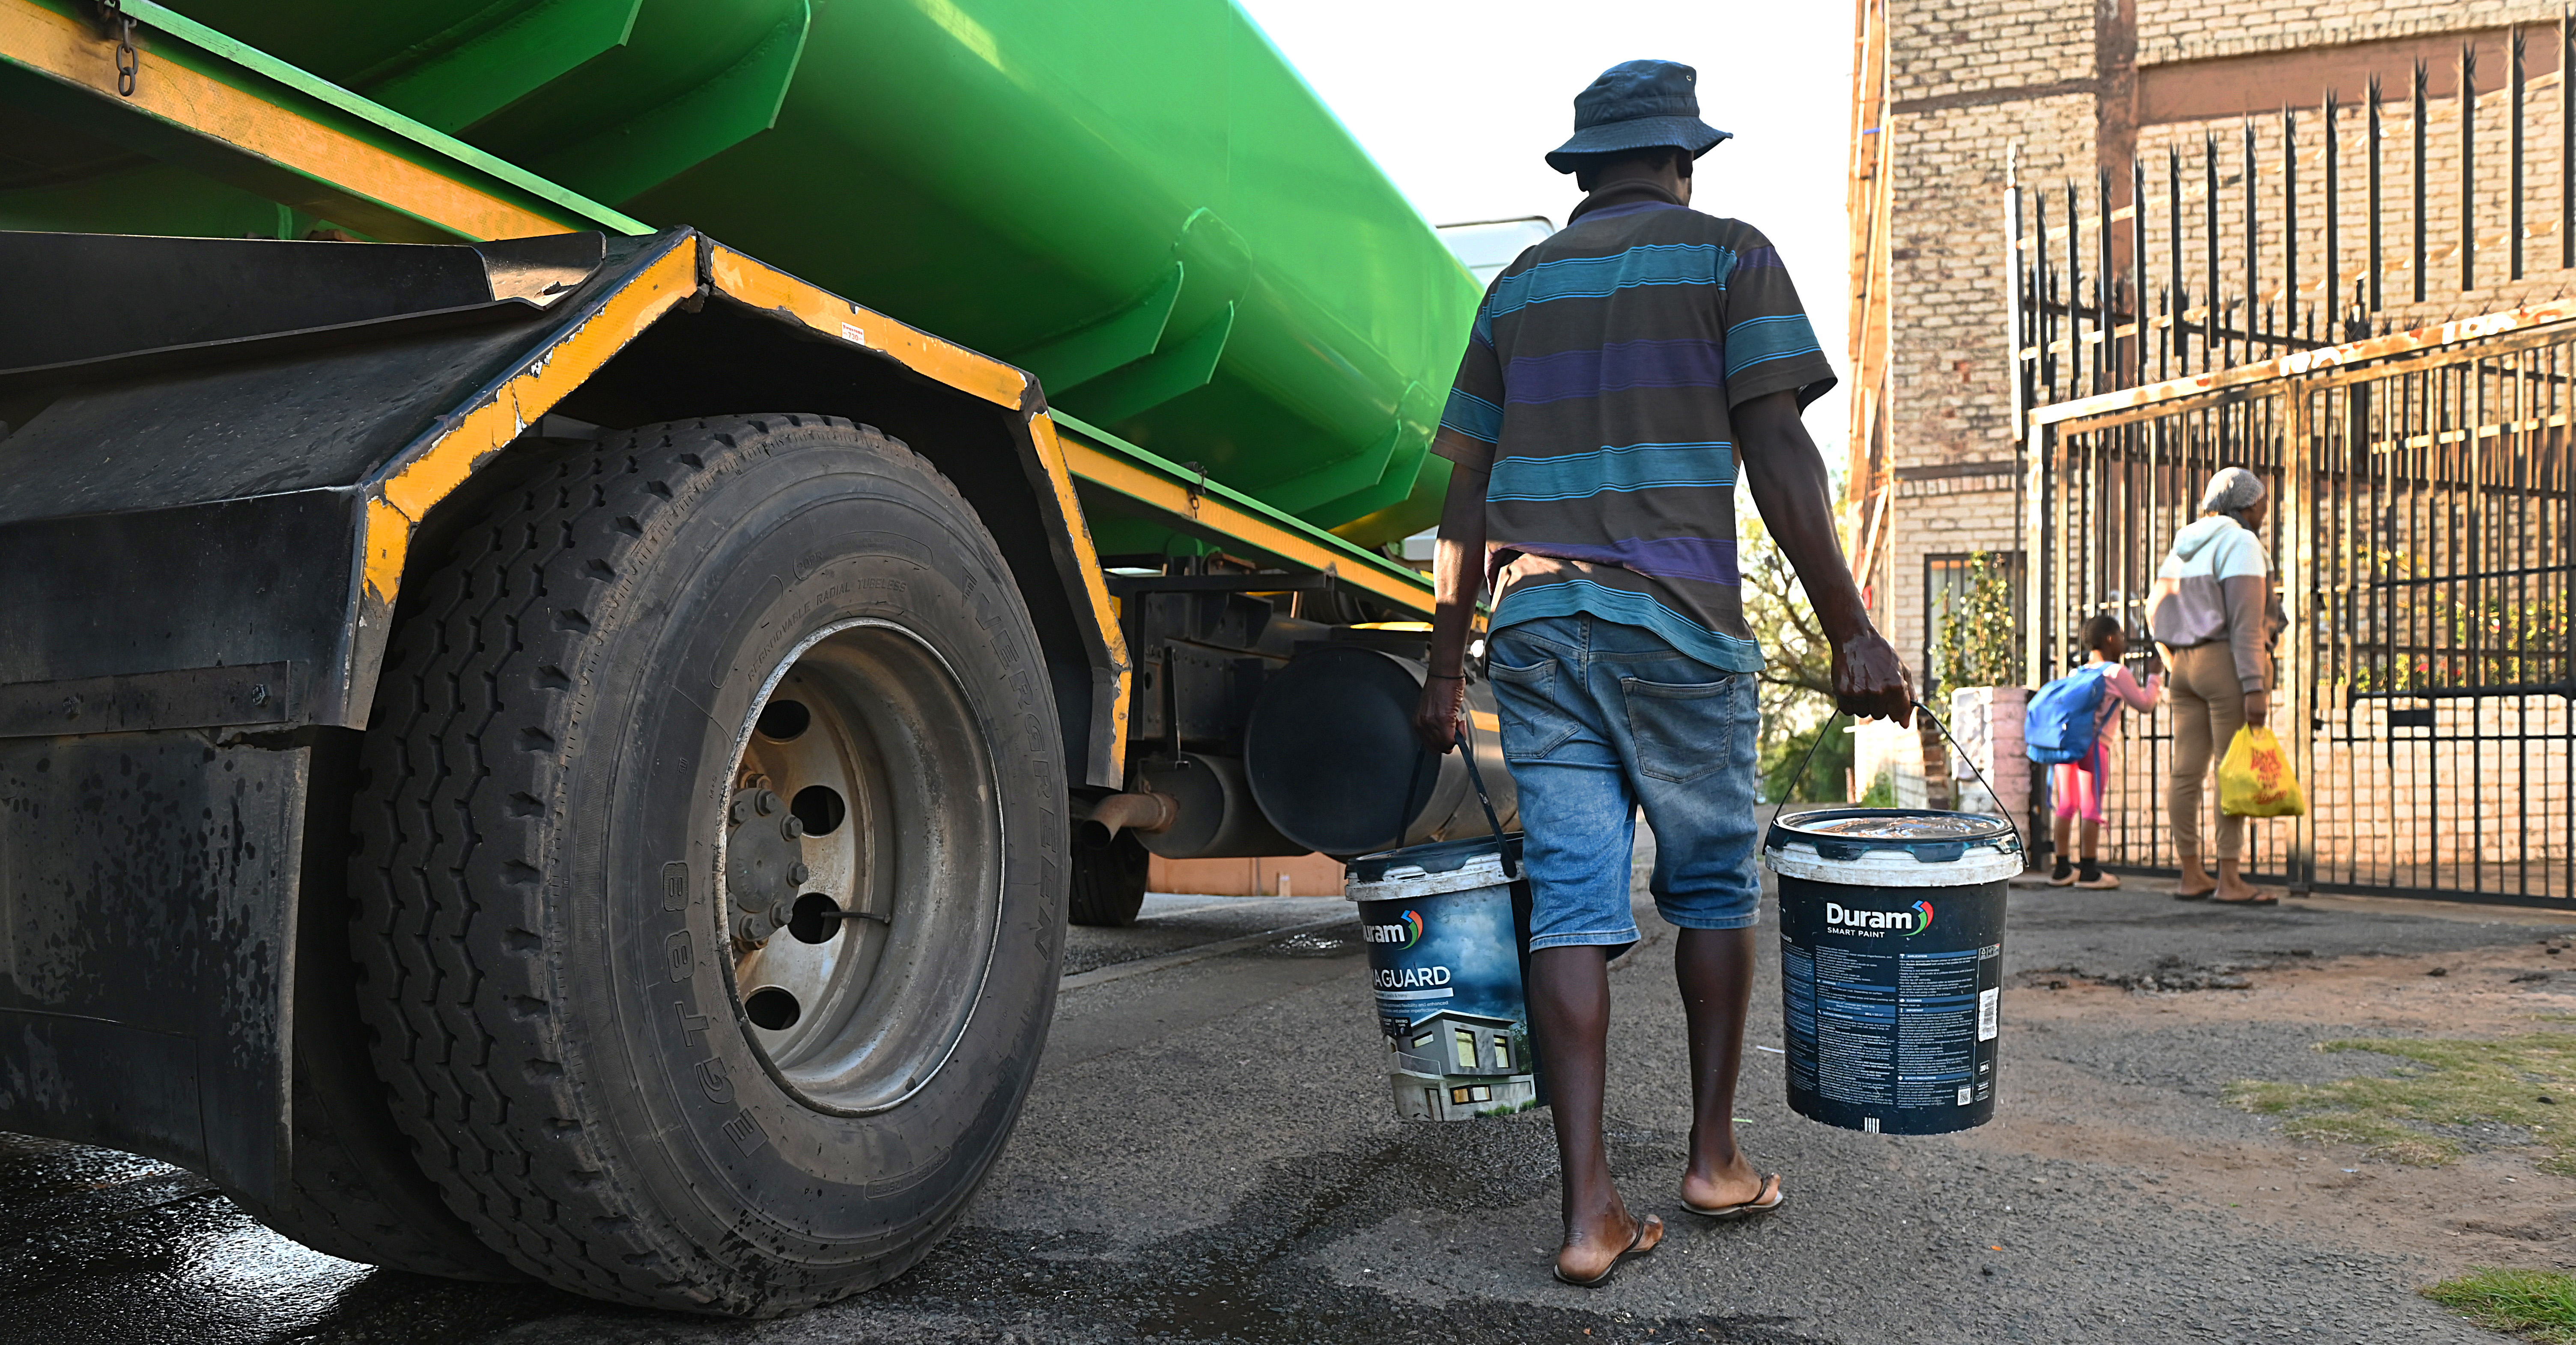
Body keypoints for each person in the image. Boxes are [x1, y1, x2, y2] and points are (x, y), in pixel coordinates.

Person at [1408, 59, 1911, 1288]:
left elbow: (1462, 497)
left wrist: (1438, 669)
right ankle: (1713, 1156)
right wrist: (1851, 627)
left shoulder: (1515, 288)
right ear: (1684, 160)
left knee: (1574, 902)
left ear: (1582, 171)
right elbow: (1780, 451)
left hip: (1534, 631)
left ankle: (1587, 1214)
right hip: (1675, 626)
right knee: (1707, 888)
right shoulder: (1729, 255)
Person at [2147, 466, 2280, 905]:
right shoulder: (2241, 543)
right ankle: (2230, 879)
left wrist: (2172, 660)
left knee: (2185, 772)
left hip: (2183, 666)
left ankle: (2191, 874)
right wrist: (2254, 685)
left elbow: (2153, 611)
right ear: (2244, 505)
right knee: (2233, 768)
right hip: (2225, 664)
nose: (2264, 512)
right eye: (2261, 504)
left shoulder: (2183, 546)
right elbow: (2245, 625)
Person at [2045, 614, 2161, 889]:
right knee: (2091, 808)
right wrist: (2154, 676)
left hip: (2068, 747)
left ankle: (2062, 870)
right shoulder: (2116, 672)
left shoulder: (2077, 672)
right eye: (2120, 635)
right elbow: (2145, 704)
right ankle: (2089, 872)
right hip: (2094, 749)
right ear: (2110, 639)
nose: (2123, 640)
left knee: (2065, 806)